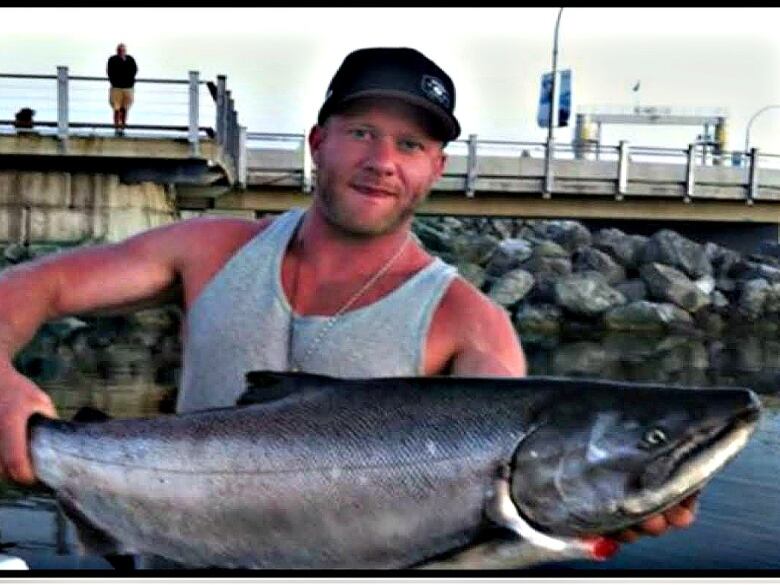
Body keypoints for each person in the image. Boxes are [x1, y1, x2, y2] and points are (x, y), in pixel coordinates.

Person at [0, 47, 696, 559]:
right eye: (361, 131)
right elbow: (33, 286)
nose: (382, 159)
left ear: (435, 168)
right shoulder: (208, 248)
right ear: (317, 142)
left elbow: (498, 525)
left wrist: (594, 510)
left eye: (411, 142)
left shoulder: (469, 325)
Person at [106, 43, 138, 136]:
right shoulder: (112, 60)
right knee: (116, 108)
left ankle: (123, 128)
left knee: (125, 108)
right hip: (116, 88)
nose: (121, 52)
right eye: (120, 50)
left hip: (128, 88)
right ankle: (116, 128)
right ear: (117, 51)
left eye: (123, 50)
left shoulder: (130, 59)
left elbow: (134, 70)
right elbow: (110, 72)